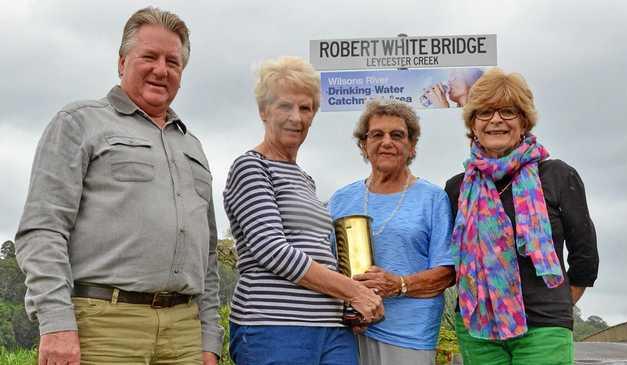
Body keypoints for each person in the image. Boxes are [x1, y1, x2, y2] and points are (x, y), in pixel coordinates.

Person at [15, 7, 223, 365]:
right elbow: (42, 231)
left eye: (173, 62)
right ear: (122, 61)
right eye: (150, 57)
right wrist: (56, 324)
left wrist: (208, 338)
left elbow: (207, 258)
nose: (161, 69)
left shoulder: (193, 146)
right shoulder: (78, 123)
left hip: (184, 333)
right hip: (102, 328)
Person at [223, 56, 384, 365]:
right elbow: (272, 250)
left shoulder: (305, 179)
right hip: (274, 328)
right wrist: (353, 292)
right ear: (263, 111)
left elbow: (320, 254)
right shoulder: (251, 166)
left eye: (305, 108)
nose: (295, 117)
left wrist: (351, 305)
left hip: (332, 329)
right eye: (284, 106)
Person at [445, 68, 599, 364]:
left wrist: (556, 306)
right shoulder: (457, 188)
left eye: (508, 111)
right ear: (473, 124)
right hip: (477, 330)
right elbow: (451, 263)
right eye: (485, 112)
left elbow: (585, 257)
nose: (496, 120)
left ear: (524, 121)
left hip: (543, 329)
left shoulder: (557, 176)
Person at [328, 100, 456, 365]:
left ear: (411, 147)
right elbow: (326, 265)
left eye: (397, 135)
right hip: (348, 332)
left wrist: (398, 285)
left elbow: (447, 272)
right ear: (364, 145)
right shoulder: (341, 199)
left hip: (409, 336)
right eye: (377, 134)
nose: (386, 142)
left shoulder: (432, 198)